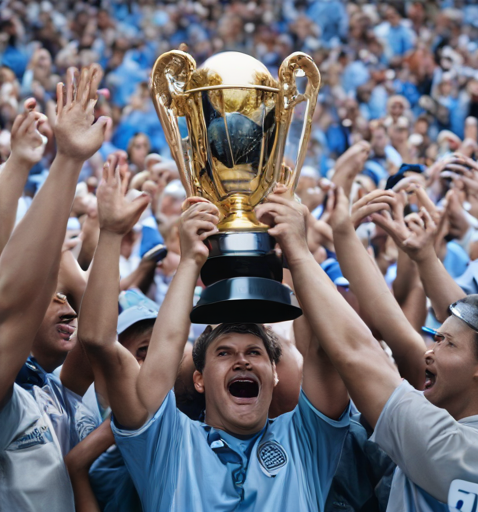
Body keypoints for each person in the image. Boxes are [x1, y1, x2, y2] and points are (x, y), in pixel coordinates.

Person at [77, 159, 351, 511]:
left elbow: (327, 349)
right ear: (199, 379)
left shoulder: (305, 439)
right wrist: (185, 258)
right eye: (223, 353)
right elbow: (99, 341)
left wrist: (298, 253)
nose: (241, 360)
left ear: (276, 374)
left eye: (255, 352)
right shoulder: (167, 443)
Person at [255, 187, 478, 511]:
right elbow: (394, 341)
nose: (429, 351)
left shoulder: (451, 445)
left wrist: (300, 252)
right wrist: (341, 235)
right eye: (435, 338)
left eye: (446, 343)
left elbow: (359, 354)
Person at [0, 64, 110, 511]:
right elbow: (10, 304)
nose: (66, 303)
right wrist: (64, 162)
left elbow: (99, 334)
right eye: (54, 297)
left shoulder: (46, 389)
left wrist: (21, 164)